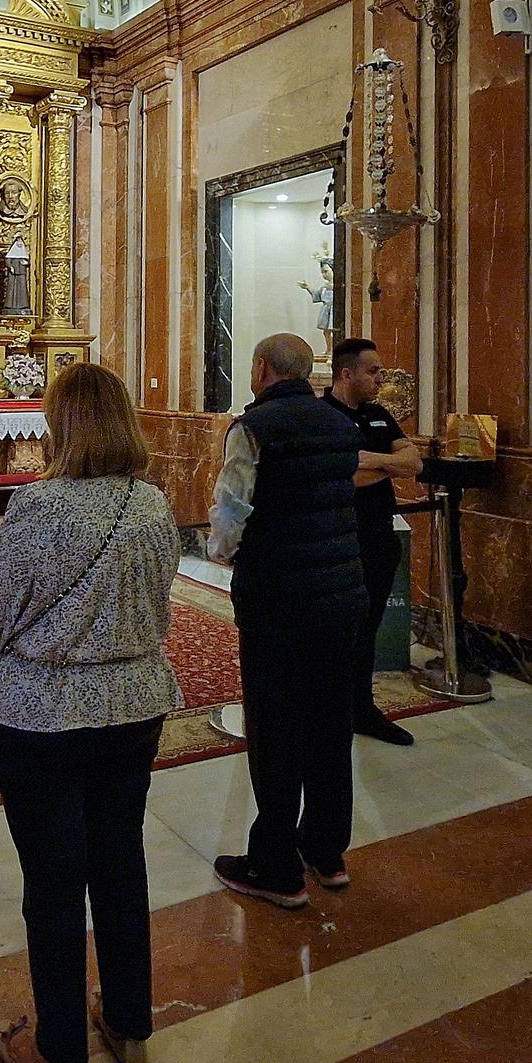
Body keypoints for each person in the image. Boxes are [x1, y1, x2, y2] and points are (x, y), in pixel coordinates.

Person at [0, 363, 183, 1063]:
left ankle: (59, 1049)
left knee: (55, 879)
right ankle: (129, 1026)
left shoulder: (37, 508)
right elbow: (160, 607)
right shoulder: (153, 505)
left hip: (41, 715)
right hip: (134, 704)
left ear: (60, 425)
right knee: (120, 861)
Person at [207, 332, 367, 909]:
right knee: (329, 721)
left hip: (279, 595)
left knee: (275, 728)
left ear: (262, 368)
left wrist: (220, 552)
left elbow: (233, 507)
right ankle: (326, 850)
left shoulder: (255, 427)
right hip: (341, 589)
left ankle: (275, 863)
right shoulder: (339, 423)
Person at [325, 339, 425, 744]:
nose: (380, 379)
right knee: (337, 632)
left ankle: (362, 710)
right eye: (373, 371)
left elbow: (414, 463)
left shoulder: (381, 415)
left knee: (368, 629)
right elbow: (346, 474)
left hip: (380, 538)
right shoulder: (324, 416)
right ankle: (331, 710)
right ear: (347, 373)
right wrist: (387, 463)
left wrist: (372, 460)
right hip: (340, 540)